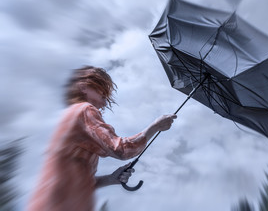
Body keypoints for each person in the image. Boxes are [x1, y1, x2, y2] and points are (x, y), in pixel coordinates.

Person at [27, 66, 177, 211]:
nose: (105, 103)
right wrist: (155, 127)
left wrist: (111, 179)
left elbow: (80, 182)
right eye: (103, 94)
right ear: (84, 87)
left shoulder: (73, 117)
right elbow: (122, 150)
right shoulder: (84, 110)